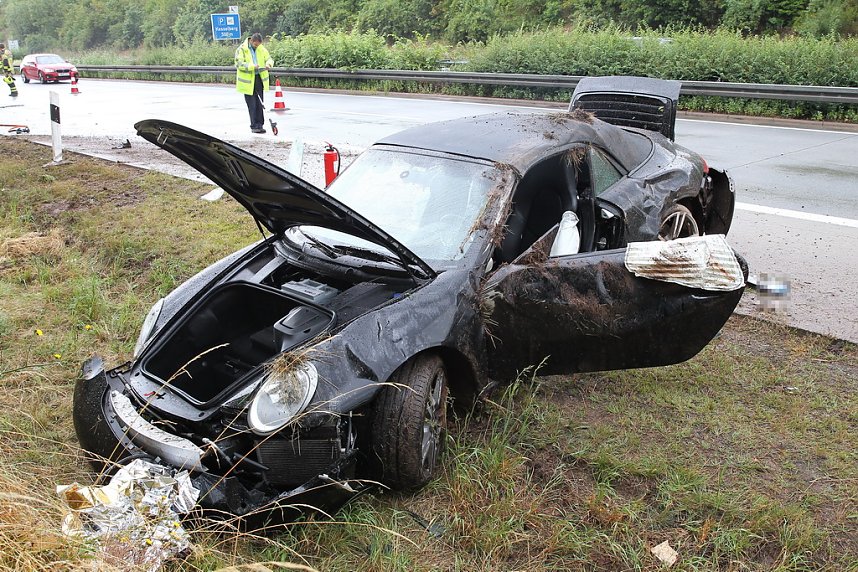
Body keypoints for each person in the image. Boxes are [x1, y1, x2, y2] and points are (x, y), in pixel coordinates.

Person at [235, 33, 273, 134]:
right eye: (255, 45)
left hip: (258, 79)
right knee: (252, 105)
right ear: (251, 41)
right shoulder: (242, 49)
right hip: (248, 81)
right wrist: (252, 66)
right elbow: (239, 63)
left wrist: (269, 64)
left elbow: (269, 58)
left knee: (260, 103)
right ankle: (254, 126)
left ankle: (260, 125)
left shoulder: (261, 48)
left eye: (258, 45)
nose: (257, 46)